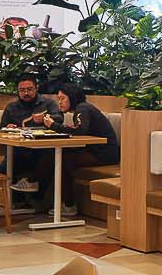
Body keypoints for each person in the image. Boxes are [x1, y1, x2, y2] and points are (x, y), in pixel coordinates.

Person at [23, 83, 119, 213]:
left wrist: (53, 125)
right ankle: (65, 203)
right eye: (58, 99)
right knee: (58, 156)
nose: (60, 103)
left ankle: (36, 183)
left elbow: (79, 130)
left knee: (61, 159)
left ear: (72, 97)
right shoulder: (80, 109)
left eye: (62, 99)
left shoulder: (83, 109)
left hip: (104, 154)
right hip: (93, 150)